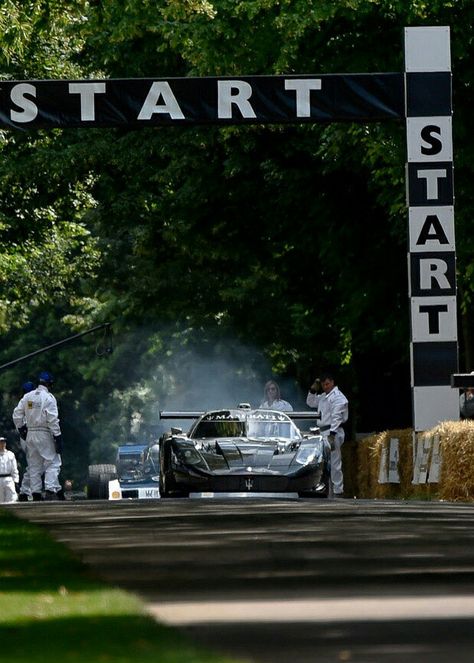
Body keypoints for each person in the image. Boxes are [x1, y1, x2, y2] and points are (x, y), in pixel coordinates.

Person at [12, 371, 63, 501]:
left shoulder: (27, 396)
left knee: (34, 465)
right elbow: (52, 419)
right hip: (44, 432)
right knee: (53, 462)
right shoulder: (49, 397)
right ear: (49, 383)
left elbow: (16, 415)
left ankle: (35, 493)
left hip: (30, 433)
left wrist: (22, 429)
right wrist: (57, 436)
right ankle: (50, 490)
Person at [306, 373, 349, 497]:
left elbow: (337, 416)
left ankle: (338, 490)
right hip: (322, 431)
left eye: (327, 384)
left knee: (335, 462)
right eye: (323, 384)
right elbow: (310, 402)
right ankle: (326, 489)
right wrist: (313, 389)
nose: (325, 387)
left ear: (332, 382)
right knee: (323, 463)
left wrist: (332, 434)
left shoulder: (338, 397)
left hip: (333, 431)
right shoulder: (324, 396)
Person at [17, 381, 36, 502]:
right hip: (29, 435)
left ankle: (28, 491)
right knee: (34, 464)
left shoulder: (24, 401)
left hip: (28, 435)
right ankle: (26, 491)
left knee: (34, 464)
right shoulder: (28, 401)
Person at [0, 436, 19, 503]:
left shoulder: (10, 454)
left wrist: (16, 481)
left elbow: (14, 468)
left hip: (8, 478)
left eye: (3, 442)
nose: (2, 444)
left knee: (11, 499)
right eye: (0, 443)